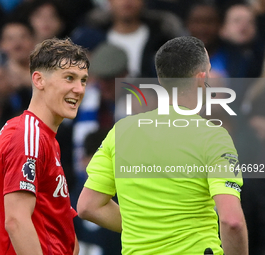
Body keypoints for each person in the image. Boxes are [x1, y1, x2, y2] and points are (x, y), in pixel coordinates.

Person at [77, 36, 248, 255]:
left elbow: (87, 206)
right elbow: (232, 221)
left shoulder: (121, 131)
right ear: (200, 78)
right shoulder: (213, 137)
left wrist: (144, 229)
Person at [0, 38, 89, 255]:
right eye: (69, 78)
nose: (79, 89)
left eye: (83, 81)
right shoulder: (28, 136)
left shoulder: (43, 137)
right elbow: (16, 220)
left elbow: (54, 218)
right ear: (39, 80)